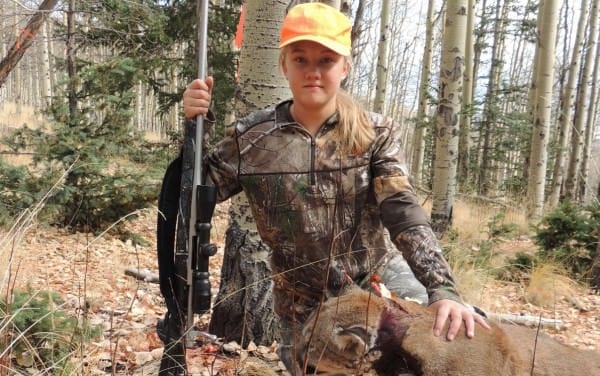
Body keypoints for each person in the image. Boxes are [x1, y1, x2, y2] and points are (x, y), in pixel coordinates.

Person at [182, 2, 489, 373]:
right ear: (284, 65)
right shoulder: (252, 138)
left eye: (326, 60)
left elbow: (402, 210)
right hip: (302, 309)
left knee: (448, 334)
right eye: (301, 59)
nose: (313, 72)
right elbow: (193, 189)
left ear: (345, 67)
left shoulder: (376, 133)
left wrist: (443, 290)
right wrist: (194, 125)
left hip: (377, 286)